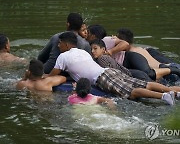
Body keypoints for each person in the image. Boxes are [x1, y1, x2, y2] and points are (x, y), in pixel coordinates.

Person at [49, 31, 180, 106]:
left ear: (66, 44)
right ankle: (174, 92)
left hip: (102, 78)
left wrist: (43, 77)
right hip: (110, 71)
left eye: (60, 43)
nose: (58, 45)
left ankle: (163, 96)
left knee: (132, 92)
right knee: (144, 84)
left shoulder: (63, 57)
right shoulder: (83, 52)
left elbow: (53, 75)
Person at [86, 25, 179, 81]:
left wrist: (110, 51)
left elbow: (125, 44)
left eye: (88, 33)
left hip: (129, 58)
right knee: (145, 76)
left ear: (94, 35)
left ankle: (173, 69)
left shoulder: (106, 40)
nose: (86, 35)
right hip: (124, 65)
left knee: (148, 73)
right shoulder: (91, 47)